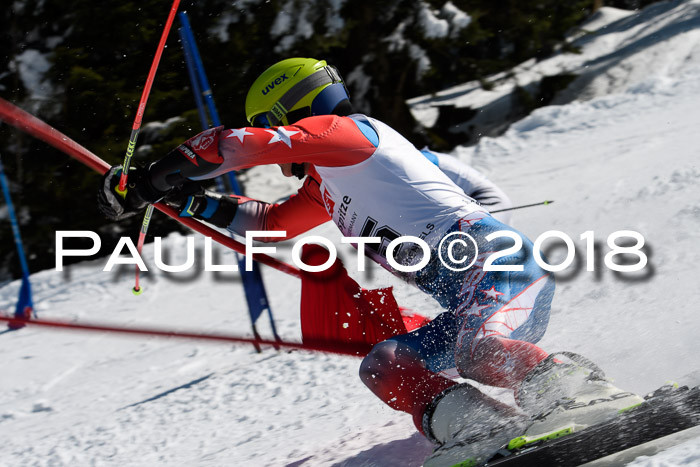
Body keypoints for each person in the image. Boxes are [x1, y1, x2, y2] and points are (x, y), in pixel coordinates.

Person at [98, 58, 642, 466]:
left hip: (500, 268)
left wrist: (154, 177)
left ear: (290, 113)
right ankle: (480, 429)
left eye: (275, 123)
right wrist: (179, 199)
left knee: (482, 349)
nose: (286, 155)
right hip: (466, 301)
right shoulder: (328, 183)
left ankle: (585, 395)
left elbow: (238, 145)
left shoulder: (354, 134)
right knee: (385, 364)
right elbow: (266, 225)